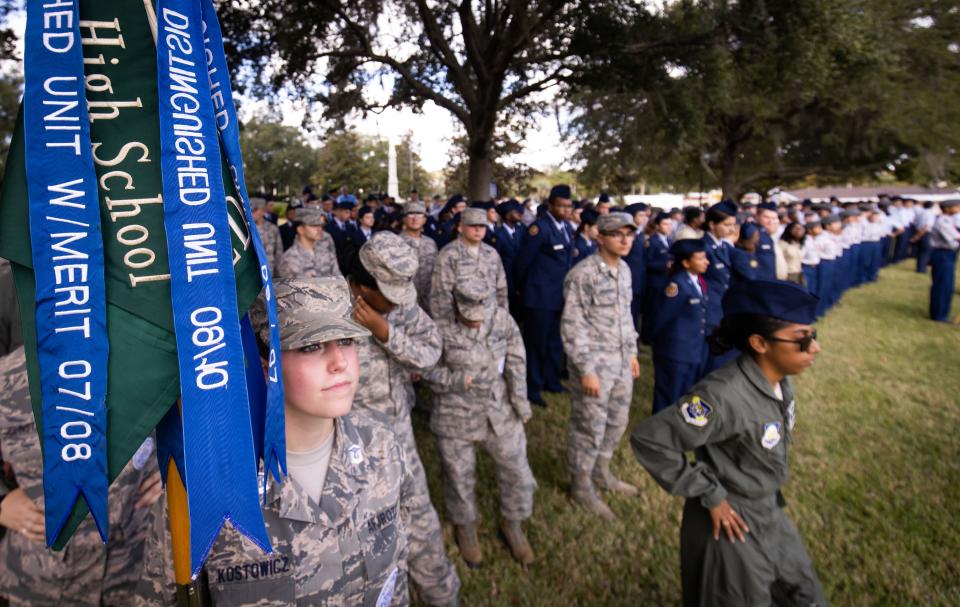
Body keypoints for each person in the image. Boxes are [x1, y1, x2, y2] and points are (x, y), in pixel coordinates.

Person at [137, 277, 417, 606]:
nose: (339, 362)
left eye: (346, 340)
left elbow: (398, 567)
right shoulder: (205, 492)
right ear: (263, 360)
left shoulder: (381, 446)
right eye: (311, 346)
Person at [631, 279, 828, 607]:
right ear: (759, 343)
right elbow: (651, 441)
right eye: (802, 340)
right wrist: (712, 494)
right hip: (731, 520)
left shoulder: (780, 383)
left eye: (813, 336)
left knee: (803, 592)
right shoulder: (721, 396)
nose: (814, 348)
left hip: (768, 509)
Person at [348, 235, 461, 607]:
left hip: (400, 438)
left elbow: (431, 350)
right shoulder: (324, 309)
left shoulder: (397, 310)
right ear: (361, 283)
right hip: (349, 452)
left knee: (421, 524)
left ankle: (442, 596)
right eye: (389, 291)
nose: (399, 300)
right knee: (367, 544)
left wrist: (387, 334)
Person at [1, 346, 163, 606]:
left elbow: (198, 422)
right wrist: (1, 501)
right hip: (43, 581)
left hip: (135, 573)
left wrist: (174, 469)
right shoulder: (15, 374)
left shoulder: (154, 360)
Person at [424, 280, 536, 568]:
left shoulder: (501, 319)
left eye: (480, 313)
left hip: (497, 409)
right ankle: (466, 527)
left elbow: (517, 360)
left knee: (517, 469)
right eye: (468, 315)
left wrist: (520, 401)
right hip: (455, 413)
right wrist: (455, 380)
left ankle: (513, 522)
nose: (475, 322)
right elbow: (424, 370)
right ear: (455, 305)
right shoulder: (438, 328)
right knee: (459, 476)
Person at [561, 213, 641, 522]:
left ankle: (601, 472)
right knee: (588, 427)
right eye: (617, 235)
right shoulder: (583, 274)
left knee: (616, 421)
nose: (625, 240)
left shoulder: (624, 271)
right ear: (600, 238)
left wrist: (632, 352)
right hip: (595, 364)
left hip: (620, 362)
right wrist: (586, 369)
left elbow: (625, 317)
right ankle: (580, 486)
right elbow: (572, 324)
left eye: (629, 235)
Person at [514, 185, 575, 406]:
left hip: (559, 296)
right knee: (536, 344)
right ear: (551, 205)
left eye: (569, 206)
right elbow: (523, 262)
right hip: (539, 297)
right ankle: (533, 386)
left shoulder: (567, 227)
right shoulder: (539, 228)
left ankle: (552, 380)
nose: (566, 210)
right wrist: (523, 290)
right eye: (562, 206)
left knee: (554, 343)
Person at [651, 239, 709, 414]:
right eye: (700, 258)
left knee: (686, 392)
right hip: (675, 350)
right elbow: (662, 317)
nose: (706, 261)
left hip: (692, 348)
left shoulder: (695, 281)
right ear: (686, 262)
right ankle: (660, 429)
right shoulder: (676, 285)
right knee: (670, 393)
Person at [429, 208, 507, 323]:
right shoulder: (449, 254)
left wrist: (502, 320)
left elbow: (501, 290)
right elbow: (440, 295)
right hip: (461, 325)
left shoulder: (492, 253)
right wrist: (446, 327)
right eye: (472, 225)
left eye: (482, 226)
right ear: (460, 227)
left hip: (490, 323)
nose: (477, 229)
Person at [700, 200, 738, 374]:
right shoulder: (703, 248)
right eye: (727, 225)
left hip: (721, 308)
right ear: (712, 224)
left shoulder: (722, 246)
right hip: (709, 311)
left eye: (733, 224)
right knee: (709, 363)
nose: (732, 229)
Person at [276, 207, 342, 279]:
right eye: (314, 226)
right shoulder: (289, 259)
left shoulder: (326, 253)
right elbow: (291, 288)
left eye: (320, 225)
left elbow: (339, 281)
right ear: (300, 229)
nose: (319, 229)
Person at [399, 201, 439, 315]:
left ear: (425, 219)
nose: (415, 218)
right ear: (404, 219)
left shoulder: (431, 243)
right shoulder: (395, 243)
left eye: (419, 214)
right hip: (404, 304)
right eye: (410, 214)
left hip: (429, 304)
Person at [640, 211, 674, 344]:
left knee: (661, 309)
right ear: (658, 226)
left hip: (666, 280)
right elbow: (647, 262)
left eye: (670, 224)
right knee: (651, 311)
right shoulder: (652, 241)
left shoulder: (670, 240)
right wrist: (663, 265)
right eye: (665, 224)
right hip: (654, 281)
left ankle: (656, 335)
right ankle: (647, 337)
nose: (669, 227)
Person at [493, 199, 525, 321]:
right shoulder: (499, 235)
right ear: (507, 215)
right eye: (515, 212)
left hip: (520, 279)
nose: (520, 214)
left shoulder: (521, 231)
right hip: (506, 280)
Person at [929, 199, 960, 322]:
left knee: (947, 285)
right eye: (956, 207)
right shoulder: (943, 221)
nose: (958, 209)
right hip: (943, 254)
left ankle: (943, 312)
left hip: (949, 254)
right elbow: (955, 238)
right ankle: (939, 314)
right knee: (942, 285)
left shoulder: (950, 220)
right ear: (947, 209)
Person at [251, 197, 283, 276]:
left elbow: (279, 252)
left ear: (262, 211)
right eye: (249, 211)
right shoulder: (246, 230)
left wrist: (278, 273)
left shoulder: (273, 229)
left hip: (270, 273)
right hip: (252, 274)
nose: (251, 214)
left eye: (254, 211)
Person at [730, 222, 760, 289]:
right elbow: (750, 276)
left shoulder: (749, 252)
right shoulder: (738, 254)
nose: (756, 242)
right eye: (753, 238)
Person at [754, 202, 780, 280]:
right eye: (766, 217)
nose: (770, 221)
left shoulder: (771, 235)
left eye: (774, 218)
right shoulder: (754, 234)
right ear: (757, 217)